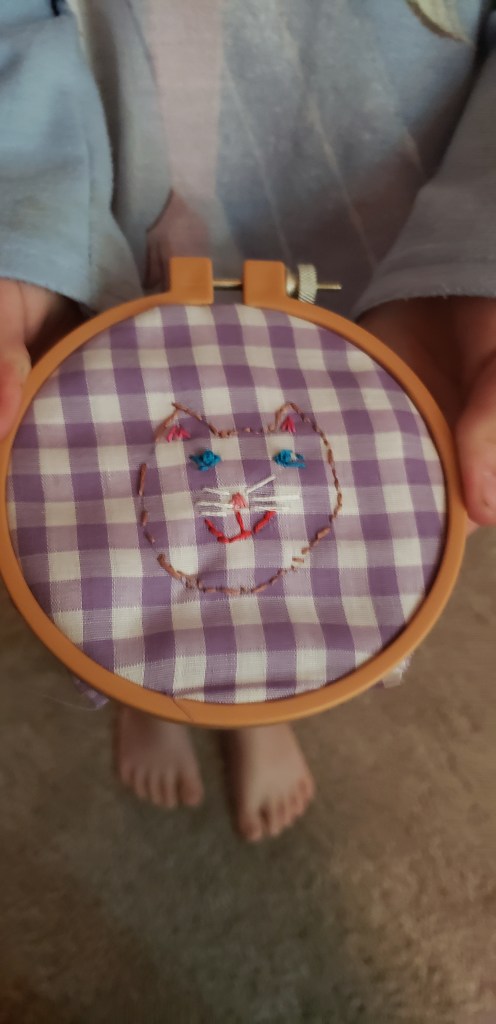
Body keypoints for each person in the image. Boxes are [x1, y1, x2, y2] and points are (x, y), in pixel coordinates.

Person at [1, 0, 495, 842]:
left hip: (395, 257)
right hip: (108, 209)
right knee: (129, 558)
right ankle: (147, 686)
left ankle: (256, 703)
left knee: (308, 579)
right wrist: (19, 215)